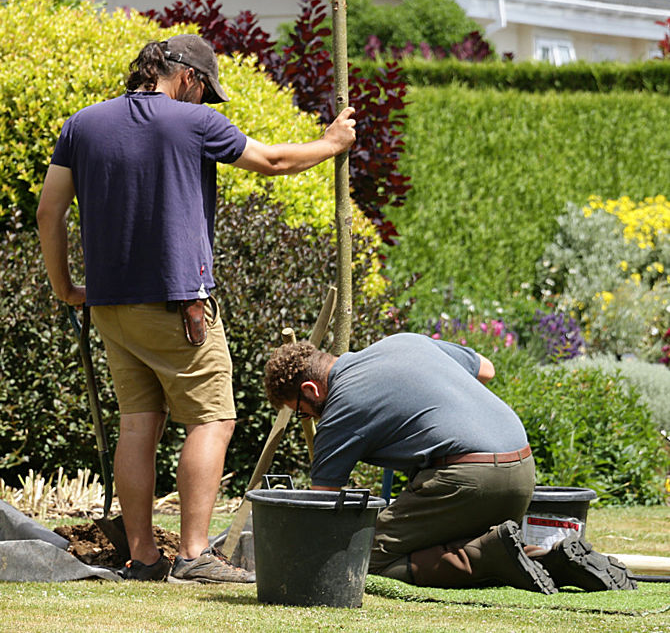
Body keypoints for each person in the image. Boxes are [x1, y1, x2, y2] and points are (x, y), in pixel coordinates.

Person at [37, 34, 356, 583]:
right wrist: (331, 143)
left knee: (138, 423)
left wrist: (66, 288)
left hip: (111, 306)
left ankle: (142, 556)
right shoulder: (193, 123)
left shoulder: (82, 125)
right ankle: (194, 554)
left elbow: (49, 211)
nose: (205, 103)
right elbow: (274, 161)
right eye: (205, 91)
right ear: (186, 76)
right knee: (213, 418)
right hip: (178, 304)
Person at [263, 333, 636, 592]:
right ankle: (551, 559)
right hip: (522, 469)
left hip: (468, 479)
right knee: (437, 539)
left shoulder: (340, 407)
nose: (309, 420)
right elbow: (486, 368)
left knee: (360, 556)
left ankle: (489, 558)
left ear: (310, 391)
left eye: (302, 413)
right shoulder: (403, 342)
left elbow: (321, 504)